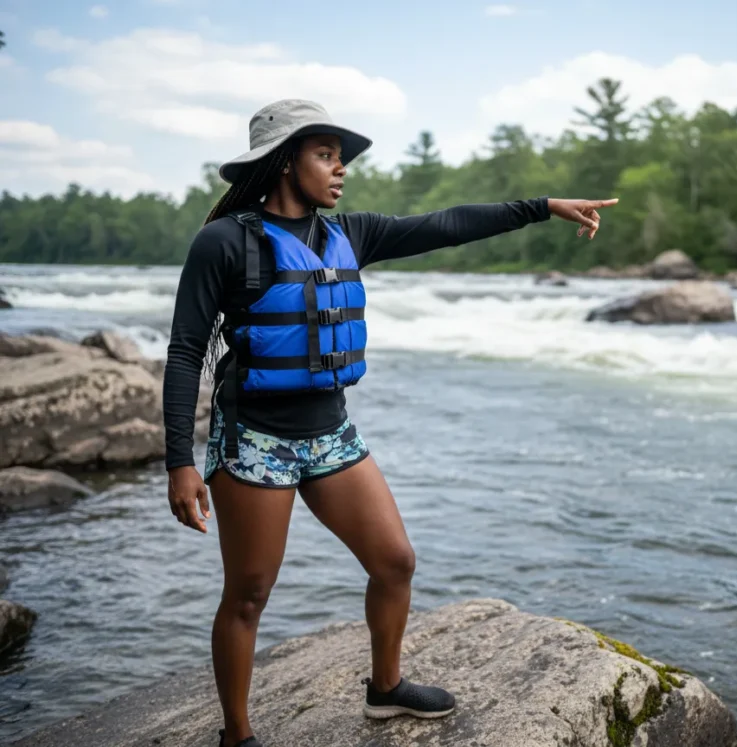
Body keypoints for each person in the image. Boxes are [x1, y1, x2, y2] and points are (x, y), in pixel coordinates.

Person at [163, 98, 618, 747]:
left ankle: (385, 689)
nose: (340, 168)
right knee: (249, 592)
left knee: (395, 560)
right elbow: (184, 351)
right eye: (326, 154)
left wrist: (542, 206)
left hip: (330, 433)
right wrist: (180, 460)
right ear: (285, 162)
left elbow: (448, 224)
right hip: (255, 439)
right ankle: (236, 735)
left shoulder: (352, 233)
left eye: (340, 157)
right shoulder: (224, 242)